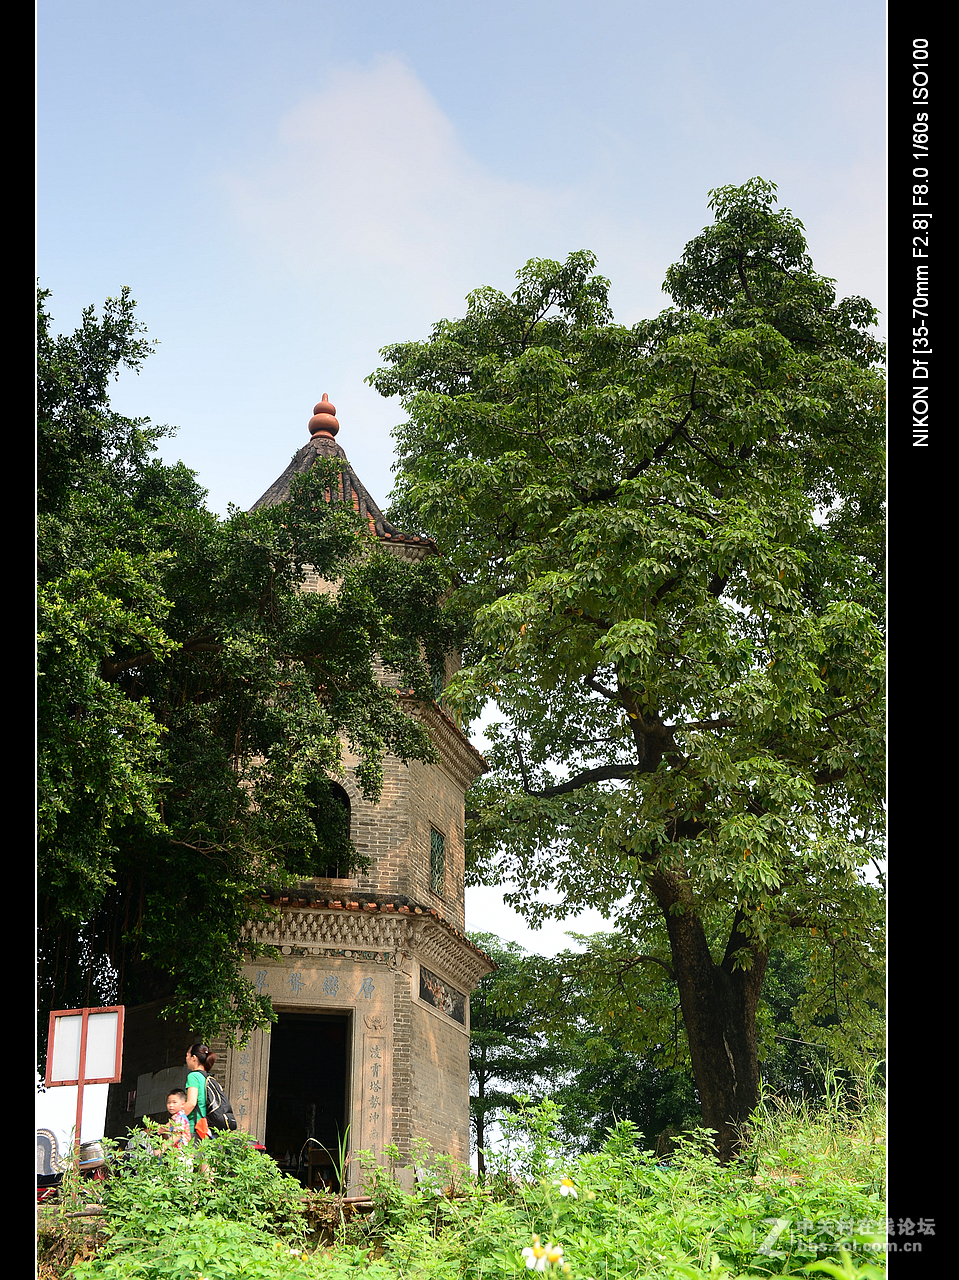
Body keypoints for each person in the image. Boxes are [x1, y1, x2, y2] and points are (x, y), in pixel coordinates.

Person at [184, 1043, 217, 1142]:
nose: (186, 1059)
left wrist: (174, 1122)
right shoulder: (207, 1077)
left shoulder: (193, 1076)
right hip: (205, 1129)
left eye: (187, 1055)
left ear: (193, 1058)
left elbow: (191, 1103)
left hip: (194, 1128)